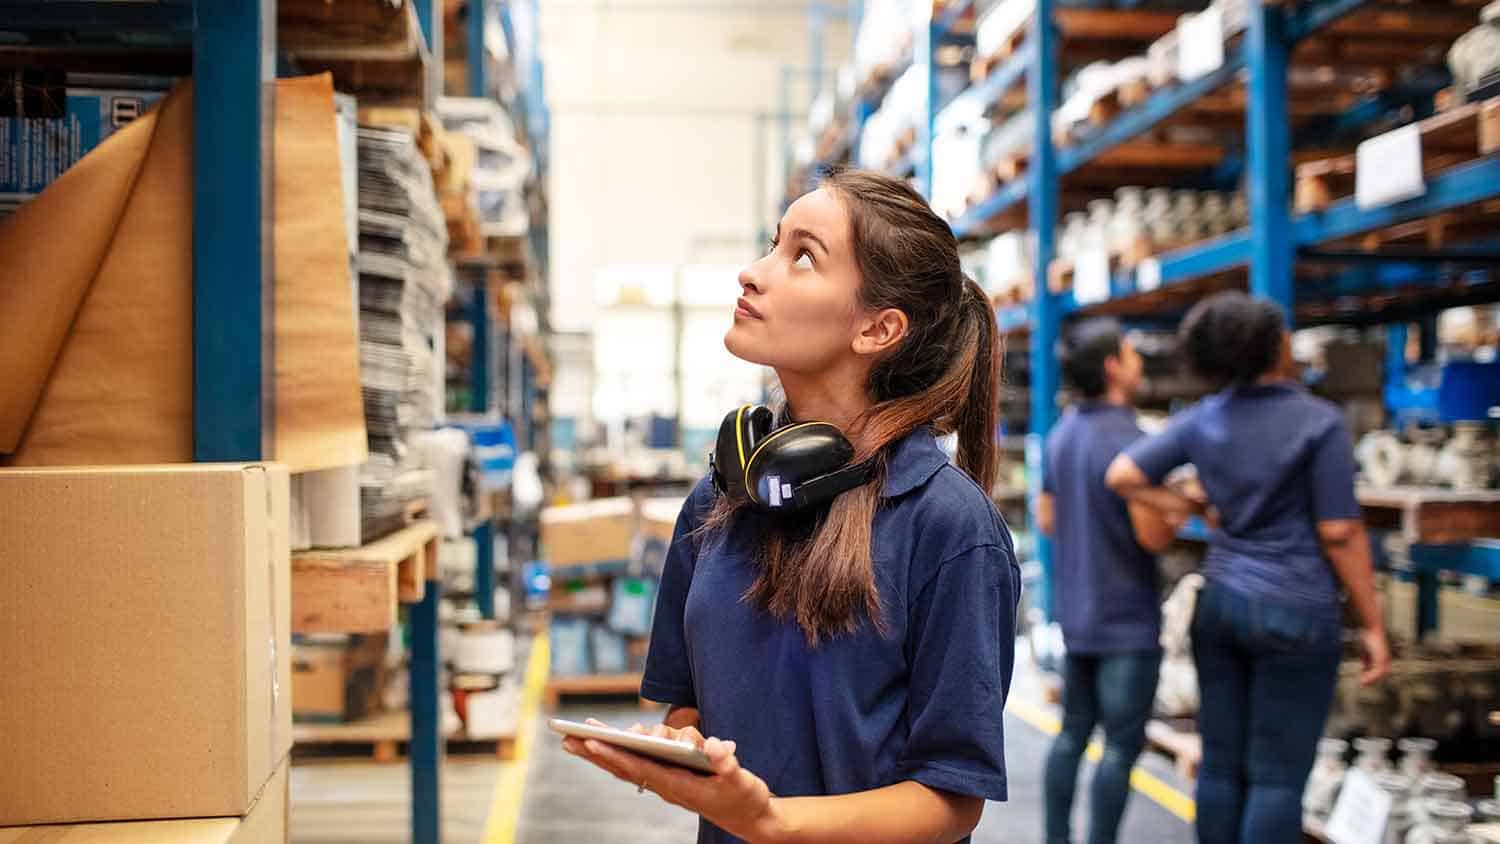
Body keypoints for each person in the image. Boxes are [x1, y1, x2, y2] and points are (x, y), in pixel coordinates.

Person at [560, 168, 1021, 844]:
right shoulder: (720, 501)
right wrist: (677, 754)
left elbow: (951, 799)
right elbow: (688, 707)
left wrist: (772, 821)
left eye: (802, 256)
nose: (753, 272)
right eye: (773, 244)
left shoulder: (948, 529)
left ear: (877, 328)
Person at [1104, 291, 1391, 844]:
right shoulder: (1319, 423)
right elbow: (1339, 531)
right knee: (1277, 780)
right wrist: (1373, 623)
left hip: (1221, 605)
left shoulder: (1203, 420)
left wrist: (1190, 507)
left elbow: (1122, 475)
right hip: (1296, 610)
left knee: (1220, 767)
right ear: (1273, 346)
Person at [1038, 318, 1182, 844]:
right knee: (1120, 746)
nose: (1139, 361)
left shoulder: (1062, 435)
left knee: (1072, 733)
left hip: (1078, 613)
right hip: (1127, 620)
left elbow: (1048, 520)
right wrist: (1176, 506)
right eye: (1131, 352)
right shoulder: (1137, 441)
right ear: (1113, 368)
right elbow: (1153, 538)